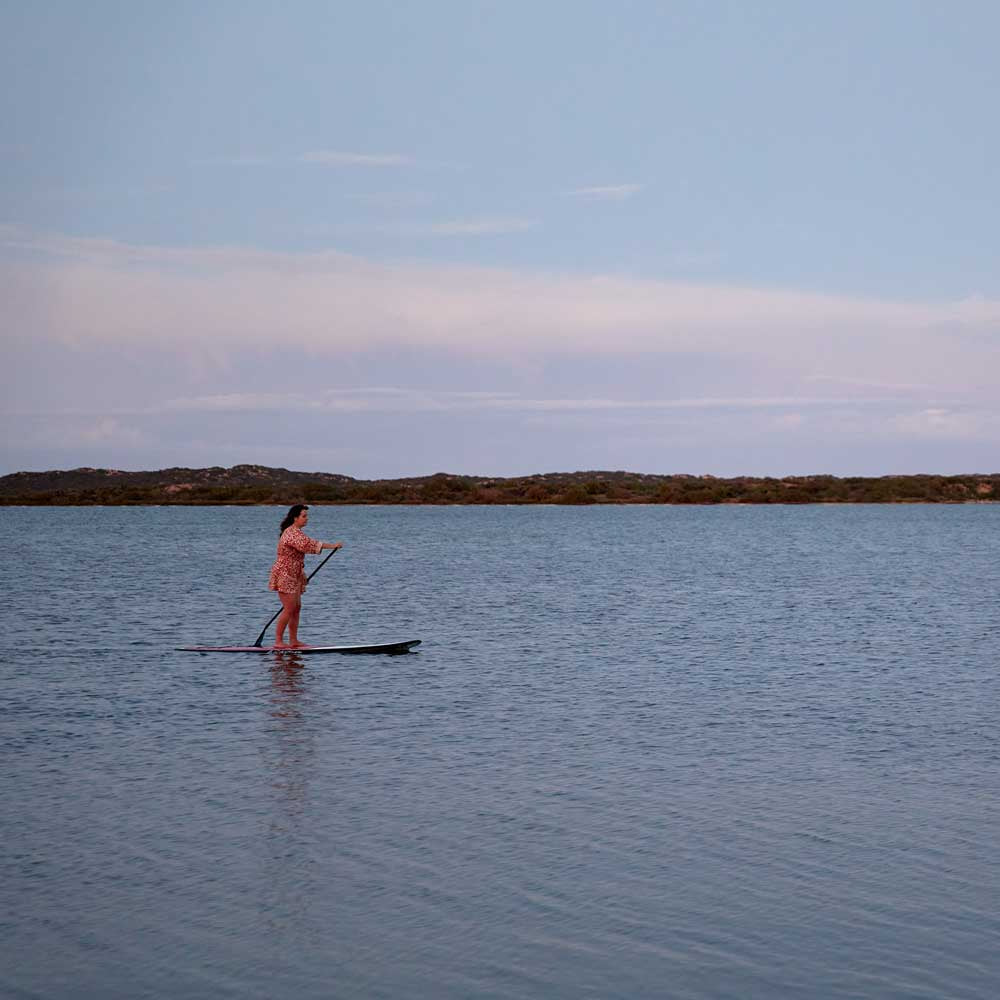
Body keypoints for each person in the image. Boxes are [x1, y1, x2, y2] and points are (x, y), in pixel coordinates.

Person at [268, 504, 342, 649]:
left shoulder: (297, 531)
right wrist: (332, 546)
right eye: (304, 516)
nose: (306, 519)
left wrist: (301, 574)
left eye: (306, 516)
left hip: (295, 572)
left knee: (296, 607)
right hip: (284, 573)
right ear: (295, 518)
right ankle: (278, 641)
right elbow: (307, 545)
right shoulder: (291, 533)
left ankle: (294, 641)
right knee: (289, 608)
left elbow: (306, 546)